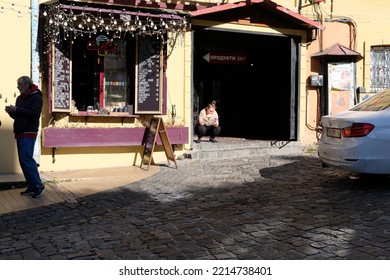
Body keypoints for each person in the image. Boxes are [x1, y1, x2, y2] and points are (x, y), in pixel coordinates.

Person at [5, 76, 45, 198]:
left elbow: (33, 114)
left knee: (27, 159)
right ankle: (32, 185)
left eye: (20, 84)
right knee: (23, 160)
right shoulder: (19, 98)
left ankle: (38, 185)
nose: (18, 87)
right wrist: (12, 112)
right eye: (18, 84)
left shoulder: (36, 97)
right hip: (20, 131)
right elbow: (19, 116)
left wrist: (17, 109)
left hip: (29, 132)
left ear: (27, 85)